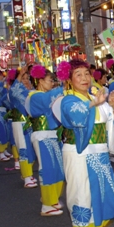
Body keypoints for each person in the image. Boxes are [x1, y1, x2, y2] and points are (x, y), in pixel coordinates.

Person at [54, 59, 114, 227]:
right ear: (69, 80)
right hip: (79, 154)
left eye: (86, 73)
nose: (84, 78)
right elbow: (75, 116)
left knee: (110, 196)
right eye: (78, 75)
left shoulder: (95, 97)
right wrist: (95, 103)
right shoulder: (68, 100)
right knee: (81, 198)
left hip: (100, 154)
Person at [26, 65, 65, 217]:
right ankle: (46, 205)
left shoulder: (48, 94)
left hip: (53, 135)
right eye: (50, 80)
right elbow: (47, 100)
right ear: (40, 81)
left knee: (58, 168)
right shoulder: (34, 96)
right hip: (42, 135)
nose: (53, 83)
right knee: (47, 168)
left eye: (54, 81)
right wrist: (64, 85)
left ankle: (53, 199)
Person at [8, 68, 38, 188]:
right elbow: (15, 89)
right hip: (20, 123)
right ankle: (26, 177)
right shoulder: (15, 91)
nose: (25, 81)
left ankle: (28, 174)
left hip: (30, 124)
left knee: (32, 149)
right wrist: (20, 74)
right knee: (24, 149)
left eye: (27, 78)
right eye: (23, 78)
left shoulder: (31, 91)